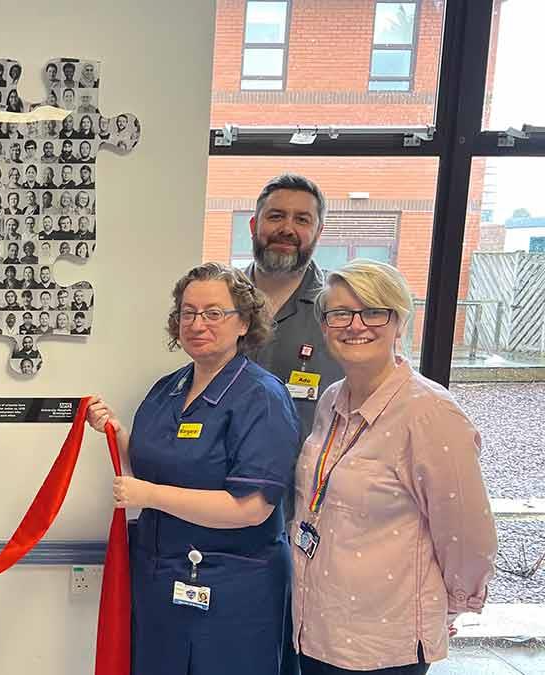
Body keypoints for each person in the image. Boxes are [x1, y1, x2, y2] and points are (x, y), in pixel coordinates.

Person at [85, 262, 300, 675]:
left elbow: (252, 508)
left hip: (233, 589)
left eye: (214, 313)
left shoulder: (262, 397)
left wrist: (149, 497)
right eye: (188, 312)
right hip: (160, 579)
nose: (197, 323)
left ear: (244, 323)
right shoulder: (169, 387)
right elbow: (157, 464)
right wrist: (115, 431)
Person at [291, 260, 497, 675]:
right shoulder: (332, 399)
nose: (356, 325)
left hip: (383, 642)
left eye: (374, 311)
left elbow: (467, 531)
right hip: (317, 625)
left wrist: (453, 603)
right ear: (325, 326)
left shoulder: (429, 413)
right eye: (340, 313)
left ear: (400, 323)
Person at [245, 175, 347, 675]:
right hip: (229, 504)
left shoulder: (341, 311)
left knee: (301, 645)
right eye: (276, 216)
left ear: (318, 232)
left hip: (314, 507)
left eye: (301, 219)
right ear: (254, 225)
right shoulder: (221, 304)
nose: (287, 229)